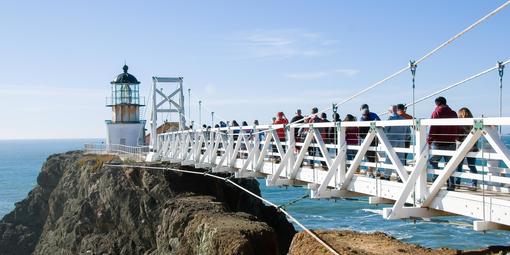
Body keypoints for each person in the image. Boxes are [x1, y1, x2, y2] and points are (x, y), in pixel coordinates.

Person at [427, 96, 458, 191]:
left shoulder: (436, 113)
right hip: (451, 142)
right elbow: (457, 127)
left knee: (433, 161)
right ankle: (451, 184)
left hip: (439, 143)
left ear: (437, 104)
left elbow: (433, 129)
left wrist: (429, 140)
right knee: (450, 164)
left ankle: (436, 178)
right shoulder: (453, 113)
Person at [382, 105, 408, 181]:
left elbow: (385, 130)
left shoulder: (390, 119)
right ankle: (400, 177)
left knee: (389, 158)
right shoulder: (403, 119)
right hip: (401, 141)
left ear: (390, 111)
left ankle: (387, 176)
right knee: (401, 159)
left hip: (391, 142)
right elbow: (407, 132)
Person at [455, 107, 478, 190]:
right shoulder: (474, 123)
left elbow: (458, 136)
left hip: (461, 146)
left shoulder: (460, 124)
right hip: (473, 147)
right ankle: (474, 184)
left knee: (458, 166)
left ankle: (457, 183)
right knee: (472, 166)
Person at [359, 104, 381, 177]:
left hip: (365, 139)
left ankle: (370, 172)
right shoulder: (374, 115)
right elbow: (380, 124)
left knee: (369, 156)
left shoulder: (361, 118)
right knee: (373, 154)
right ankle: (375, 170)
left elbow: (360, 132)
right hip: (374, 138)